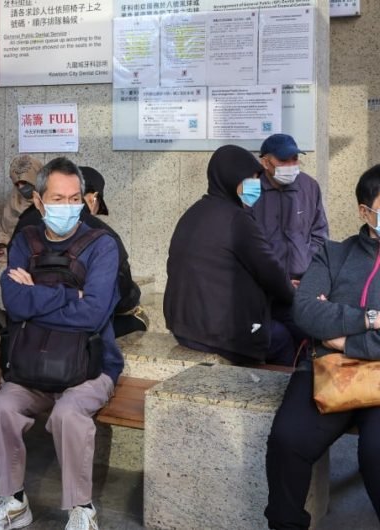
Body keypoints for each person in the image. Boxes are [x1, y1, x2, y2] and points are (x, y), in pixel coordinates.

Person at [0, 157, 122, 530]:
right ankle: (14, 502)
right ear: (38, 202)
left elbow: (94, 315)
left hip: (88, 366)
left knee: (68, 415)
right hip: (33, 362)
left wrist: (37, 293)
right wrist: (71, 296)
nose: (68, 208)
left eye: (75, 199)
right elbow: (15, 304)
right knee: (3, 408)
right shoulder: (26, 240)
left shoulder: (103, 245)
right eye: (58, 199)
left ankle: (81, 509)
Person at [265, 165, 380, 530]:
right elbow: (306, 311)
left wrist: (345, 337)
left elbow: (323, 316)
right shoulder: (333, 254)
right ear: (365, 212)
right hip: (326, 369)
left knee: (377, 453)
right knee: (288, 440)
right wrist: (369, 319)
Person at [164, 145, 295, 365]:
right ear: (233, 177)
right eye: (252, 178)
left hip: (184, 326)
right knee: (285, 337)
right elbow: (272, 273)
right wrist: (295, 295)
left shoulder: (193, 212)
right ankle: (279, 396)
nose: (256, 185)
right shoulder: (237, 220)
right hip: (221, 334)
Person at [12, 165, 145, 337]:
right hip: (74, 329)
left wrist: (36, 295)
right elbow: (121, 293)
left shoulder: (26, 221)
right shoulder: (102, 235)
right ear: (93, 198)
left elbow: (15, 288)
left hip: (29, 320)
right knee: (137, 321)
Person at [253, 133, 329, 347]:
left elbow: (320, 234)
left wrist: (308, 270)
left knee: (307, 342)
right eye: (283, 160)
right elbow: (246, 240)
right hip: (264, 288)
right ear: (265, 162)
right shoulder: (251, 188)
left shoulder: (309, 186)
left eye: (294, 159)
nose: (291, 165)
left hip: (300, 287)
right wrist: (277, 278)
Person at [0, 155, 43, 328]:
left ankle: (20, 326)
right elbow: (3, 229)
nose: (21, 188)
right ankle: (3, 325)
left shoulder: (46, 201)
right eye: (17, 184)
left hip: (34, 254)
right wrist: (0, 245)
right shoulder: (14, 200)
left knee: (10, 276)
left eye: (26, 183)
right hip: (8, 251)